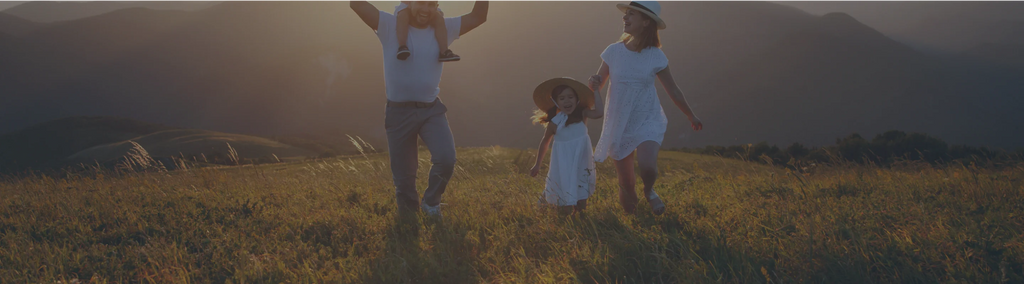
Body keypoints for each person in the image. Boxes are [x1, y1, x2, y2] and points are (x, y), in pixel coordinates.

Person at [349, 0, 488, 218]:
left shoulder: (443, 28)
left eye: (432, 4)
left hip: (431, 110)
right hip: (398, 113)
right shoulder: (389, 25)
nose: (426, 10)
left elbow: (478, 17)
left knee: (446, 158)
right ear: (408, 3)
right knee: (404, 179)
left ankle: (431, 202)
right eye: (421, 3)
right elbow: (357, 4)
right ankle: (408, 218)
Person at [590, 0, 704, 215]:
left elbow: (674, 90)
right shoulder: (613, 51)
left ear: (645, 22)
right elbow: (599, 82)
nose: (625, 18)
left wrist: (691, 115)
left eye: (631, 14)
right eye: (626, 14)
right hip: (619, 122)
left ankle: (650, 191)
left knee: (648, 167)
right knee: (626, 183)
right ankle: (635, 222)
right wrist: (593, 85)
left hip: (647, 118)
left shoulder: (656, 56)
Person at [529, 77, 605, 215]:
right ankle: (552, 210)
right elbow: (545, 142)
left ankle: (581, 221)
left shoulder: (582, 114)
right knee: (564, 205)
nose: (567, 101)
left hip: (581, 162)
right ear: (556, 102)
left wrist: (596, 91)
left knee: (581, 201)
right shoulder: (555, 123)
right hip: (563, 164)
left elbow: (599, 113)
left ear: (577, 99)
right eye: (562, 98)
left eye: (570, 97)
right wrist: (537, 164)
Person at [395, 0, 460, 62]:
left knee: (439, 18)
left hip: (426, 4)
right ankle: (402, 46)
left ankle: (444, 51)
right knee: (403, 15)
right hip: (407, 5)